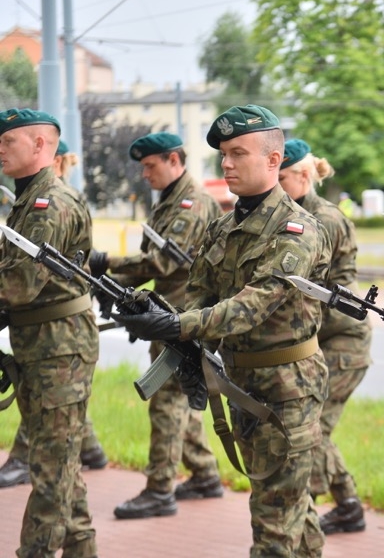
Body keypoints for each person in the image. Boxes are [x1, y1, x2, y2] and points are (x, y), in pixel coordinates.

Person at [113, 105, 330, 557]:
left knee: (273, 525)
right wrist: (153, 312)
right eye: (223, 155)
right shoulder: (221, 228)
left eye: (238, 153)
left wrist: (177, 323)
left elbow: (252, 305)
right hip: (242, 384)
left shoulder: (297, 230)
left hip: (288, 391)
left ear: (273, 160)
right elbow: (199, 296)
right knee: (292, 510)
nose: (227, 164)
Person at [87, 132, 225, 519]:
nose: (145, 174)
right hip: (169, 315)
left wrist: (106, 262)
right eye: (142, 167)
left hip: (184, 318)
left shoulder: (190, 204)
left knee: (166, 402)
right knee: (178, 395)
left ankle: (159, 491)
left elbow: (164, 264)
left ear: (174, 160)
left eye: (151, 165)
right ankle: (204, 475)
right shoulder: (169, 202)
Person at [0, 109, 98, 556]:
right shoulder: (26, 200)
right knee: (59, 468)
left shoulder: (49, 204)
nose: (0, 148)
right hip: (41, 346)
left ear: (41, 146)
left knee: (51, 473)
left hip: (60, 351)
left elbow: (19, 285)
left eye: (9, 141)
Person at [278, 139, 372, 534]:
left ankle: (309, 511)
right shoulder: (291, 212)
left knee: (311, 428)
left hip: (342, 342)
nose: (275, 186)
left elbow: (322, 290)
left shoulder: (325, 219)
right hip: (319, 339)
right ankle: (347, 505)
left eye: (280, 178)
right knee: (310, 426)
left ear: (303, 175)